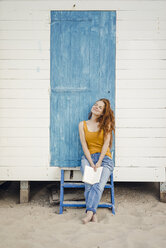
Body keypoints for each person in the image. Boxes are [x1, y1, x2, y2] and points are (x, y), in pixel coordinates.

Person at [78, 98, 115, 224]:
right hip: (88, 157)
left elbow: (106, 145)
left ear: (103, 112)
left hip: (105, 159)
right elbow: (84, 145)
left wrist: (99, 162)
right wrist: (91, 162)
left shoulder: (106, 124)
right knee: (89, 183)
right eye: (95, 105)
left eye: (100, 107)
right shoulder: (82, 124)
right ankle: (93, 212)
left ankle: (89, 212)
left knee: (98, 185)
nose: (96, 107)